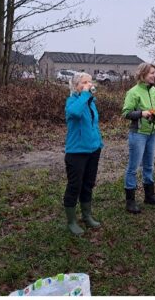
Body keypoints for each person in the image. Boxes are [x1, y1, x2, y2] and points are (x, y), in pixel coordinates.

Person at [122, 63, 155, 214]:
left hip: (152, 134)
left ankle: (150, 196)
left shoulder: (154, 90)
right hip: (138, 134)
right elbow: (126, 113)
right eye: (151, 73)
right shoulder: (133, 92)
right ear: (143, 75)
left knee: (149, 166)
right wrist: (141, 113)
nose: (154, 75)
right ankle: (130, 201)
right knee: (133, 168)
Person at [63, 72, 103, 235]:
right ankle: (71, 221)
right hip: (77, 152)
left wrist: (98, 142)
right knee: (75, 186)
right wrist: (85, 95)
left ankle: (87, 215)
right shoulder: (72, 102)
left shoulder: (90, 102)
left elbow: (94, 124)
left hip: (93, 150)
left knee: (88, 183)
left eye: (90, 82)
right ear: (76, 86)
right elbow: (75, 113)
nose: (88, 85)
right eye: (84, 82)